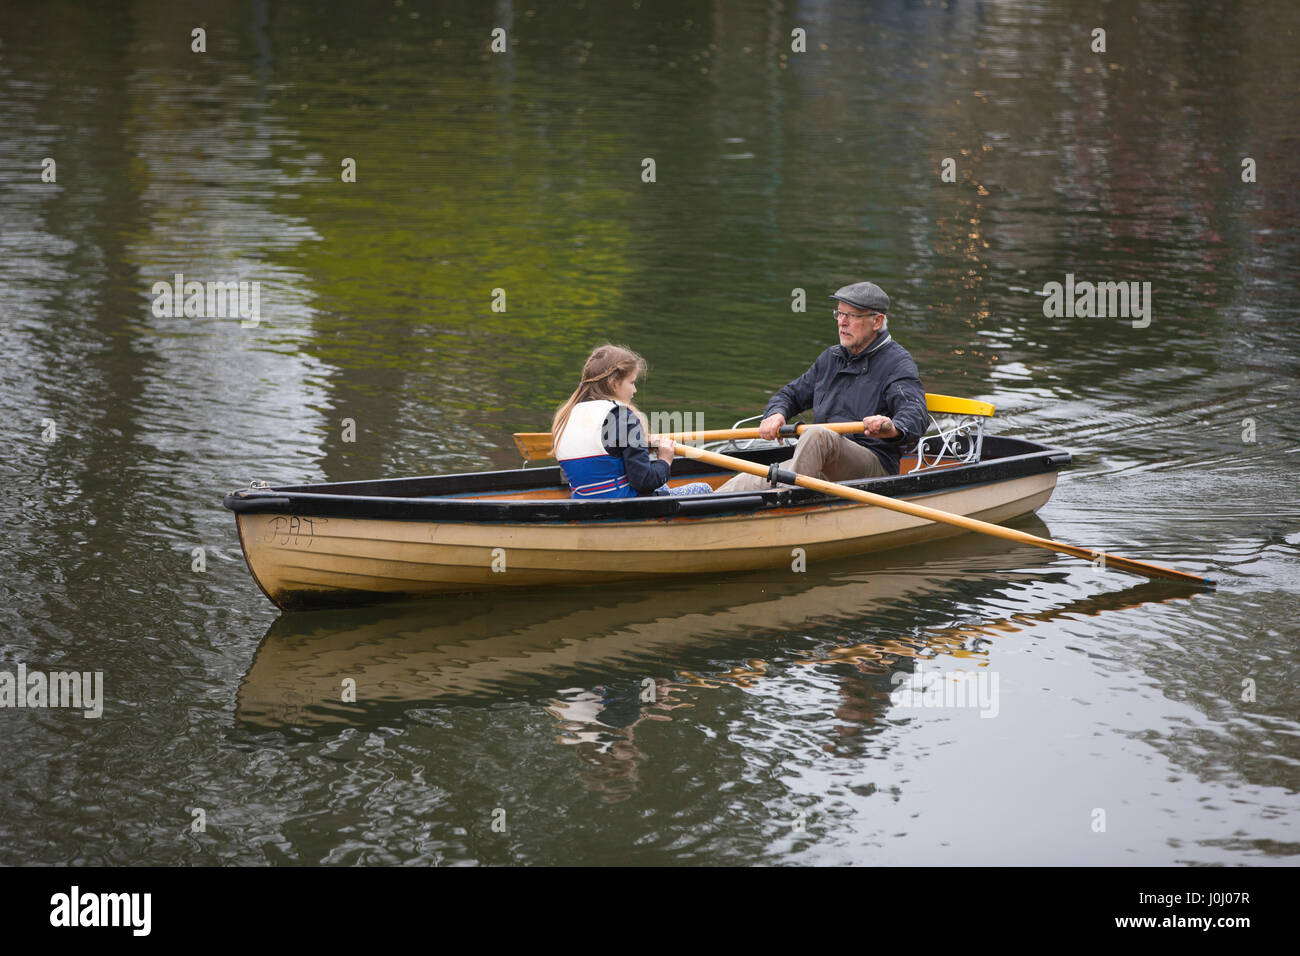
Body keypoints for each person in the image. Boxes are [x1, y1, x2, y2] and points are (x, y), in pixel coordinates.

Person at [716, 281, 928, 493]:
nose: (842, 323)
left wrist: (891, 426)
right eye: (839, 314)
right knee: (736, 486)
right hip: (818, 460)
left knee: (818, 435)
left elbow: (916, 414)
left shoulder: (897, 364)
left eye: (851, 316)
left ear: (877, 321)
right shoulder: (831, 358)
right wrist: (776, 413)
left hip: (872, 467)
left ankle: (785, 504)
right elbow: (790, 395)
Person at [552, 344, 713, 499]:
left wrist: (640, 449)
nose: (635, 390)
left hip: (583, 504)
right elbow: (643, 481)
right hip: (625, 506)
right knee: (703, 489)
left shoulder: (567, 416)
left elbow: (599, 464)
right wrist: (664, 460)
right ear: (614, 383)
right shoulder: (621, 416)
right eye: (632, 382)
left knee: (663, 488)